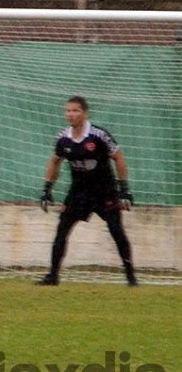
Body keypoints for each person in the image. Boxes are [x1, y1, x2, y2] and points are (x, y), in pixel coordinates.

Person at [37, 96, 137, 286]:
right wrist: (47, 189)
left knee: (117, 231)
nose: (70, 114)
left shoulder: (98, 135)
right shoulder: (63, 138)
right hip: (79, 193)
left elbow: (119, 158)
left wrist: (124, 189)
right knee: (62, 230)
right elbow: (54, 161)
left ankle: (131, 277)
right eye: (68, 111)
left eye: (75, 110)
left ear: (84, 113)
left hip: (104, 191)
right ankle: (53, 276)